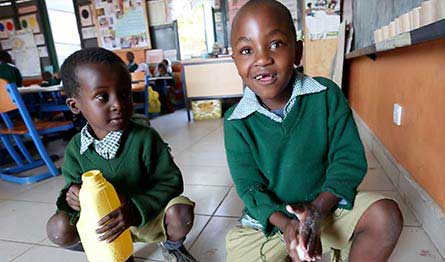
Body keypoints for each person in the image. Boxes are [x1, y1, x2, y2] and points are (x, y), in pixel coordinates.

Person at [224, 1, 403, 261]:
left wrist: (316, 211)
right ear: (235, 61)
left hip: (325, 208)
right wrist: (287, 225)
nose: (262, 58)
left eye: (276, 44)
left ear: (298, 51)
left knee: (385, 217)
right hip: (271, 222)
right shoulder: (236, 122)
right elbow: (249, 188)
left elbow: (348, 161)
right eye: (247, 50)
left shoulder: (326, 95)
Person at [46, 47, 197, 262]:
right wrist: (72, 197)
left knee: (180, 213)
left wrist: (135, 211)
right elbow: (71, 187)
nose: (117, 104)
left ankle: (172, 246)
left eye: (125, 94)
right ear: (75, 105)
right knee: (58, 228)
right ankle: (105, 249)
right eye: (102, 97)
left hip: (146, 217)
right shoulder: (75, 149)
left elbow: (171, 182)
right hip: (107, 226)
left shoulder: (145, 139)